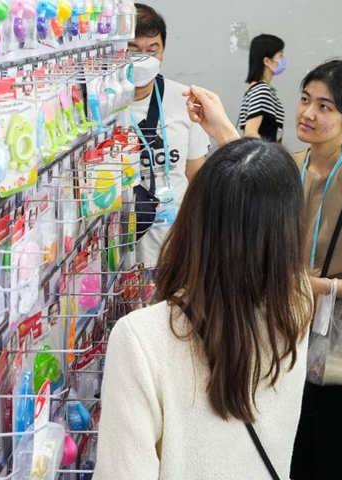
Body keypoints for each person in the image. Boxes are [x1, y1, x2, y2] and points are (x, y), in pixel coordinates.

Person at [185, 59, 342, 480]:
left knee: (329, 457)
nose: (308, 113)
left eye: (325, 107)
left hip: (334, 359)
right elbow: (247, 178)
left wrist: (321, 286)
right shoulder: (287, 167)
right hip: (276, 339)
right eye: (305, 100)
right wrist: (219, 129)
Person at [94, 138, 313, 479]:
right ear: (289, 230)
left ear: (193, 214)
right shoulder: (296, 302)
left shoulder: (141, 339)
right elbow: (257, 191)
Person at [128, 3, 210, 268]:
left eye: (153, 50)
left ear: (163, 51)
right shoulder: (98, 106)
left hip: (171, 249)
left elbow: (197, 175)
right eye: (133, 49)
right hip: (115, 250)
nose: (144, 58)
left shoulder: (184, 99)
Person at [237, 34, 286, 142]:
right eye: (281, 56)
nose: (283, 60)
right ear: (267, 61)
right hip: (265, 156)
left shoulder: (255, 89)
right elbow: (251, 133)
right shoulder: (262, 90)